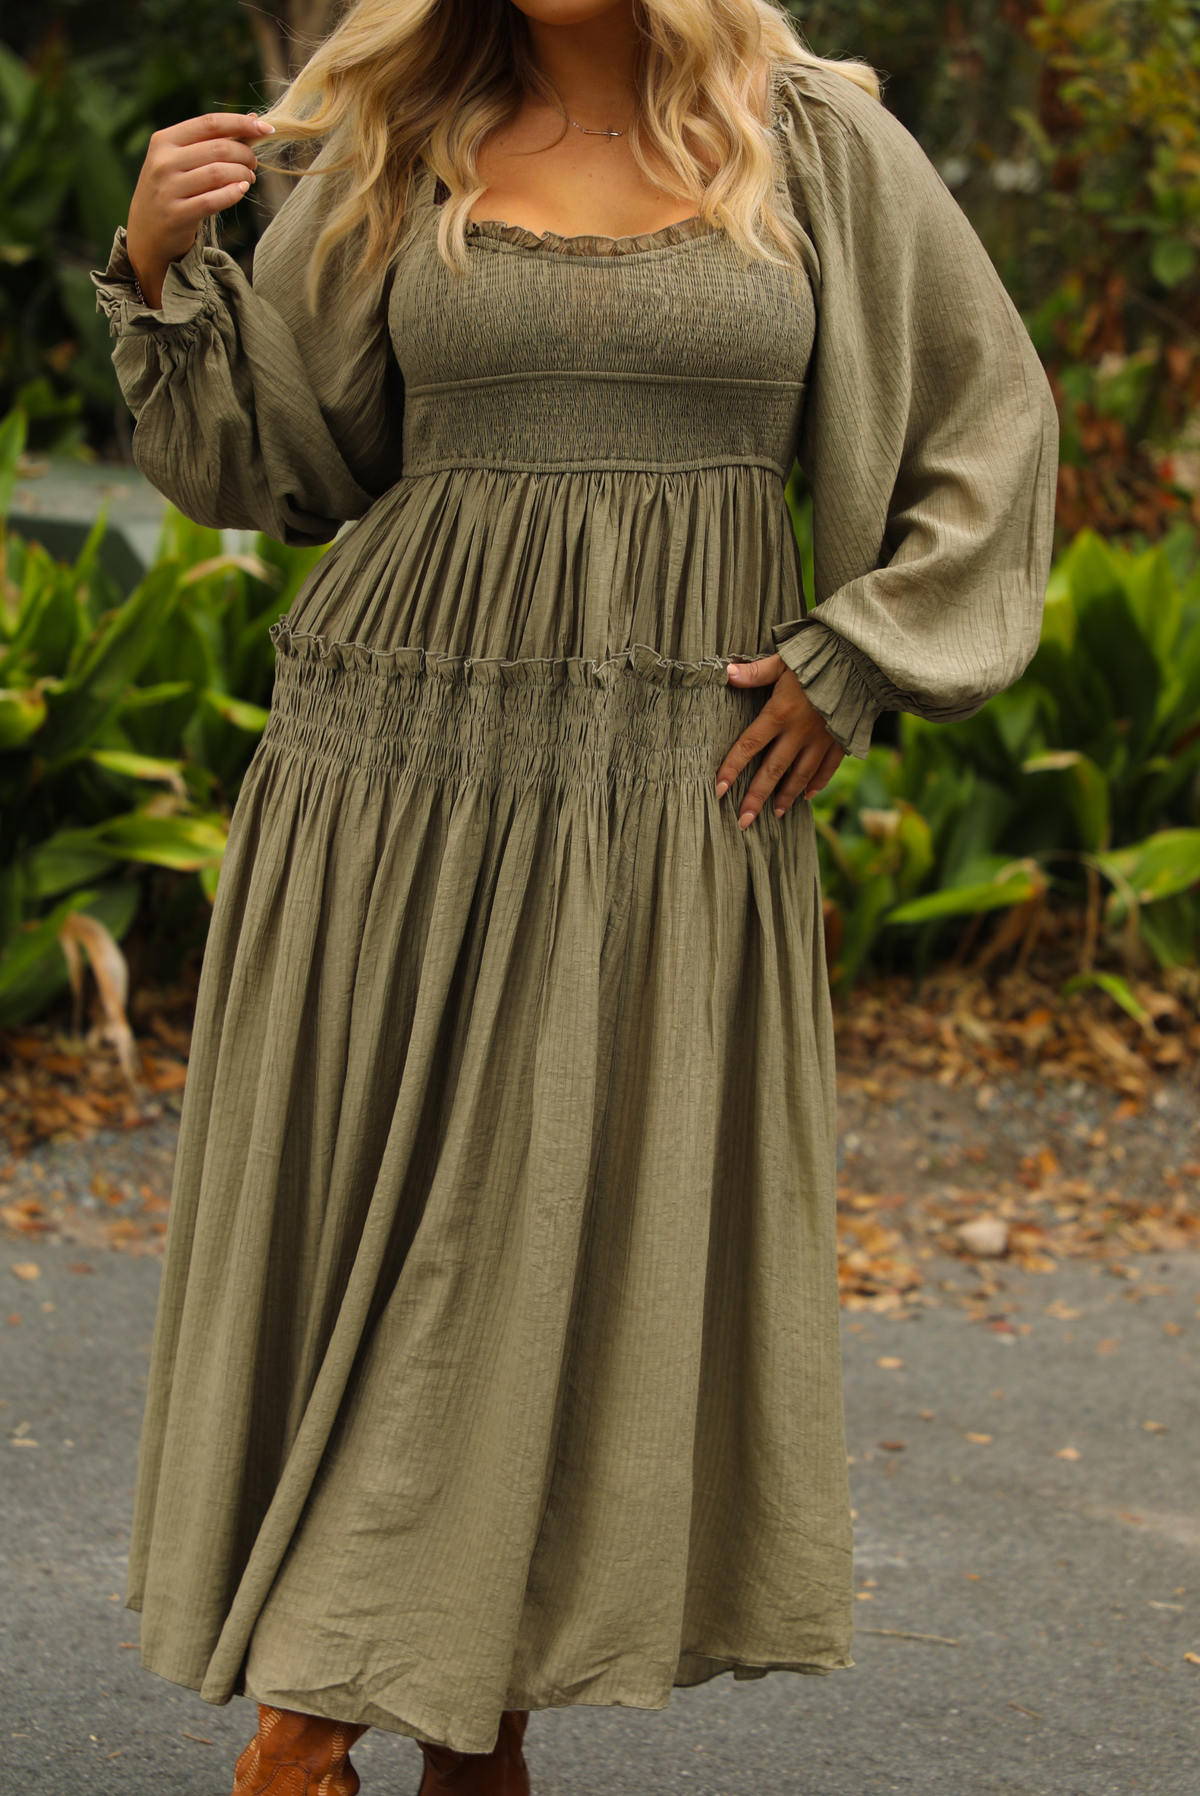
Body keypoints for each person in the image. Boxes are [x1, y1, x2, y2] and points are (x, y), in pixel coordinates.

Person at [93, 1, 1057, 1791]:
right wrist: (163, 267)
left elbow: (992, 425)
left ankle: (416, 1722)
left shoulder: (822, 139)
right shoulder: (395, 131)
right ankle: (353, 1723)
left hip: (668, 786)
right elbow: (271, 470)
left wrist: (856, 661)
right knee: (440, 1225)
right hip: (394, 762)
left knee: (560, 1228)